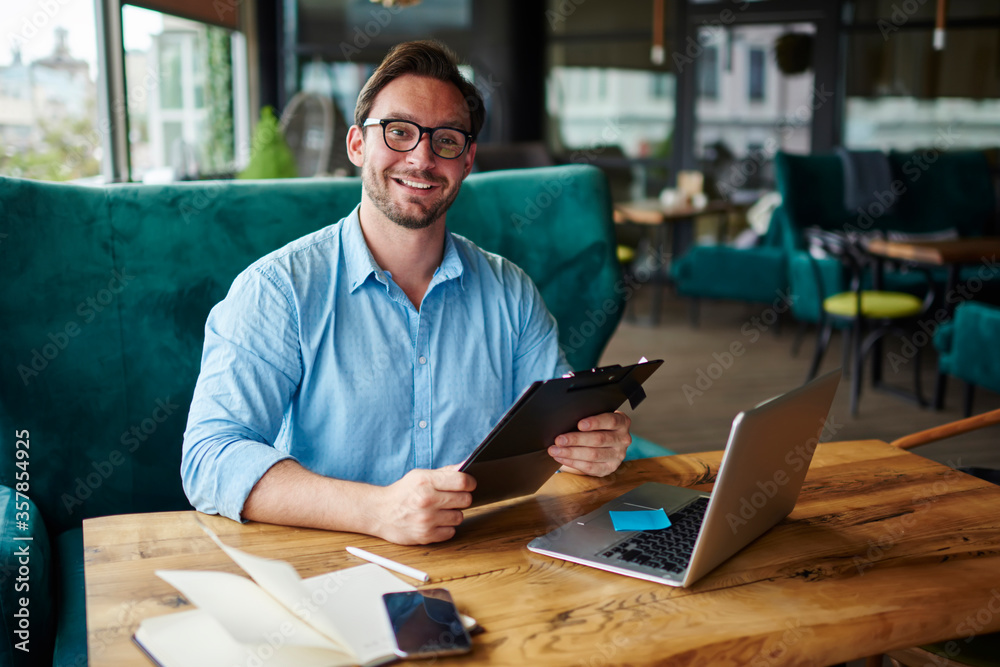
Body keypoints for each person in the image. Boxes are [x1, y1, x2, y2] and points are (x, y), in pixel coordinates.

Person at [181, 40, 632, 546]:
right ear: (357, 145)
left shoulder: (510, 291)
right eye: (398, 132)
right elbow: (210, 456)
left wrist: (594, 445)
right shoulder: (277, 290)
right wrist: (376, 510)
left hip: (487, 557)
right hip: (329, 570)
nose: (421, 158)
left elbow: (558, 425)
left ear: (467, 160)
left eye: (446, 140)